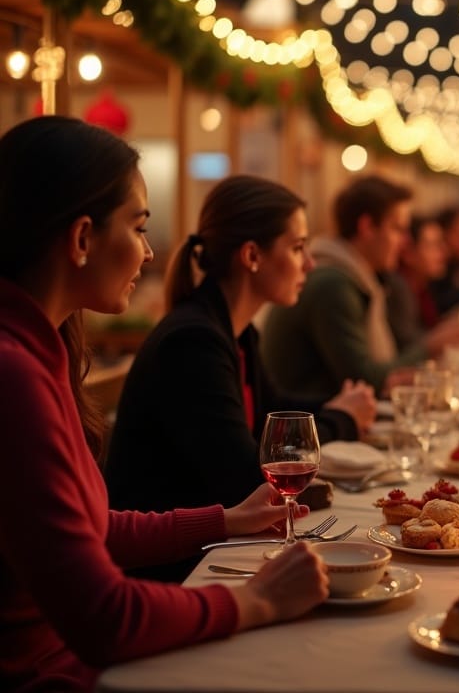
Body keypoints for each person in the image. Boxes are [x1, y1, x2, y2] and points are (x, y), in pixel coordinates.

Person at [0, 116, 328, 693]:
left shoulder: (38, 349)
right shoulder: (14, 375)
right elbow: (102, 619)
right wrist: (255, 602)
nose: (150, 254)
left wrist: (226, 520)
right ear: (81, 239)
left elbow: (92, 529)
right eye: (139, 226)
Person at [104, 175, 376, 580]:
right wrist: (344, 420)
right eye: (298, 248)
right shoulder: (192, 342)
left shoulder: (236, 331)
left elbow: (276, 413)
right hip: (174, 569)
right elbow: (248, 477)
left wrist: (340, 408)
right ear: (252, 256)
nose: (310, 264)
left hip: (215, 551)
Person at [261, 174, 459, 397]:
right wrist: (430, 345)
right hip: (306, 425)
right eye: (397, 229)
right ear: (367, 227)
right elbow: (364, 379)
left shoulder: (361, 278)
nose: (404, 241)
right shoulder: (333, 283)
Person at [385, 213, 447, 348]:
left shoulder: (423, 287)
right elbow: (409, 346)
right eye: (433, 245)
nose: (443, 252)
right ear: (408, 254)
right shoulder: (398, 289)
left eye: (441, 243)